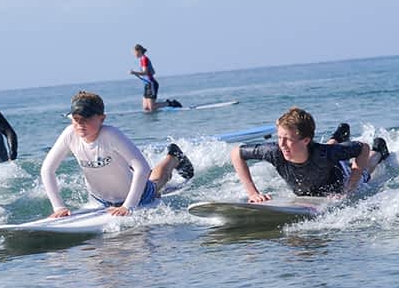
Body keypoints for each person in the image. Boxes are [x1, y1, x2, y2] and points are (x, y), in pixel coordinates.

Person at [41, 90, 194, 217]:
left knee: (156, 183)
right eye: (76, 119)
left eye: (86, 119)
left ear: (102, 118)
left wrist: (128, 206)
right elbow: (47, 170)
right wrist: (59, 207)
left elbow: (142, 168)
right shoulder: (69, 134)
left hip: (136, 197)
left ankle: (173, 157)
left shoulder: (110, 135)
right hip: (100, 201)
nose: (80, 125)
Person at [230, 107, 390, 202]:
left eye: (287, 139)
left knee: (362, 175)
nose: (282, 145)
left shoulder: (325, 154)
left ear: (305, 140)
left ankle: (380, 150)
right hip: (322, 155)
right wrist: (253, 193)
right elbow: (236, 153)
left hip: (339, 174)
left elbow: (363, 148)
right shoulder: (274, 152)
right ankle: (339, 136)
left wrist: (350, 187)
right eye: (279, 138)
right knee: (325, 152)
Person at [130, 44, 177, 112]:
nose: (134, 54)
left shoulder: (144, 59)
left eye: (134, 52)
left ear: (139, 51)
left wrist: (135, 72)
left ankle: (171, 103)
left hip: (151, 84)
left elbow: (145, 72)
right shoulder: (142, 60)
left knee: (152, 108)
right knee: (146, 108)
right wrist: (136, 74)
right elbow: (150, 73)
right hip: (146, 85)